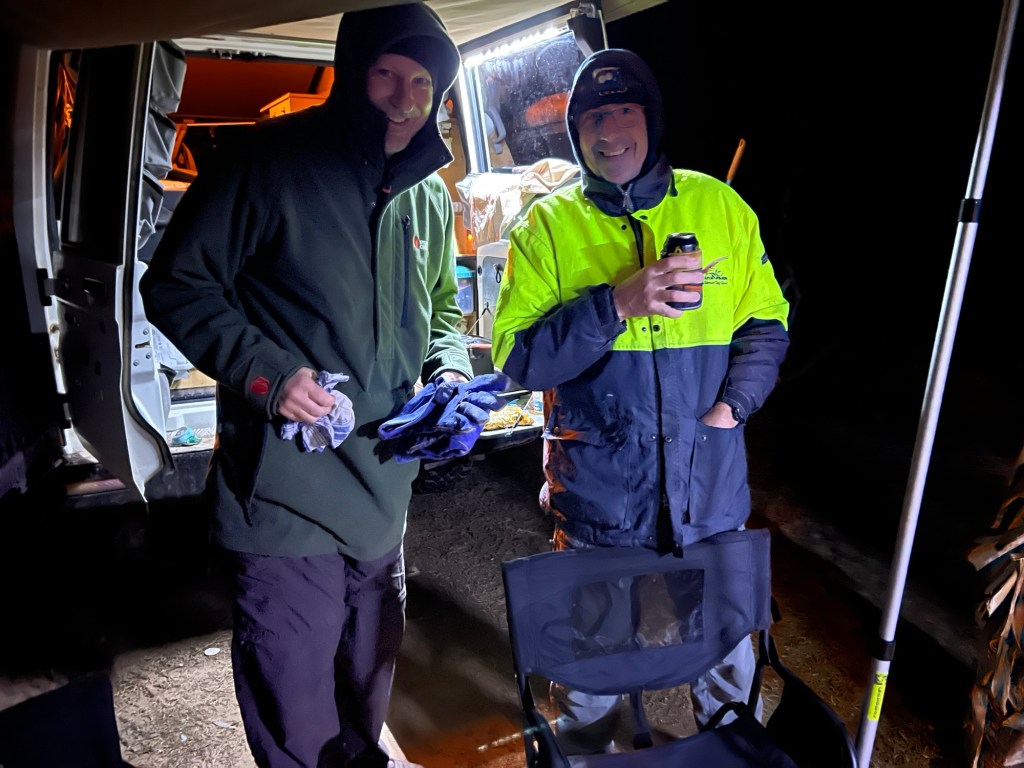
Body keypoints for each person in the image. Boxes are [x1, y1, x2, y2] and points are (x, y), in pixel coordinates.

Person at [140, 6, 474, 767]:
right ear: (351, 72)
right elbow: (178, 285)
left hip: (384, 487)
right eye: (385, 73)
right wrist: (271, 374)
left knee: (368, 679)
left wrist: (449, 369)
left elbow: (441, 308)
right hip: (286, 491)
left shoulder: (429, 193)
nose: (404, 98)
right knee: (295, 696)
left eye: (422, 82)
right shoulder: (267, 163)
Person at [491, 48, 790, 753]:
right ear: (576, 133)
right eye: (594, 117)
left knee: (725, 662)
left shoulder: (718, 205)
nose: (611, 131)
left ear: (650, 120)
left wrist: (731, 410)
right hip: (600, 496)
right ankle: (585, 752)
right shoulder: (546, 226)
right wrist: (615, 305)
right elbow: (518, 358)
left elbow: (767, 323)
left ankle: (730, 754)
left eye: (626, 110)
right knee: (592, 670)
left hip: (708, 489)